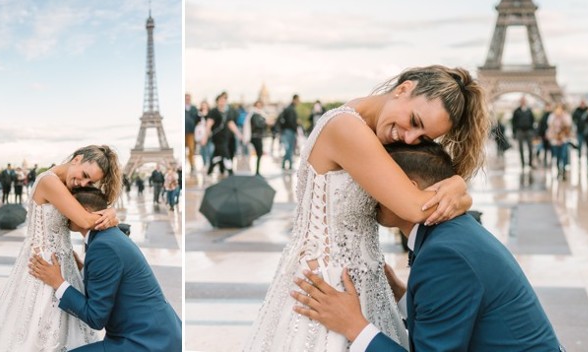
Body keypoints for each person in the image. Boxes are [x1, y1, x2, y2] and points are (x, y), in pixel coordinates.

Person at [239, 66, 483, 352]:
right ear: (403, 89)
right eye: (414, 121)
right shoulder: (346, 127)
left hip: (360, 284)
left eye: (422, 138)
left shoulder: (369, 130)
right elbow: (418, 208)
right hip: (327, 286)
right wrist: (458, 188)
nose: (409, 138)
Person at [294, 138, 563, 352]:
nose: (369, 193)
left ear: (407, 186)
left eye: (376, 184)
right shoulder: (454, 232)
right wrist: (402, 295)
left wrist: (354, 325)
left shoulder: (445, 255)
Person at [0, 143, 122, 350]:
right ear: (76, 158)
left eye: (91, 181)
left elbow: (74, 222)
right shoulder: (48, 181)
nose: (83, 182)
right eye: (85, 174)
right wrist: (112, 214)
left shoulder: (66, 184)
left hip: (62, 261)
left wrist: (109, 213)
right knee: (37, 327)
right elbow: (86, 221)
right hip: (42, 262)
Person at [30, 180, 182, 350]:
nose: (64, 213)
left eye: (69, 208)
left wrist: (57, 281)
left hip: (146, 342)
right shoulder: (107, 236)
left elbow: (96, 318)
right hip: (154, 333)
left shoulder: (104, 247)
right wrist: (83, 268)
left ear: (85, 212)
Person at [511, 98, 536, 172]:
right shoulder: (516, 111)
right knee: (521, 149)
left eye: (524, 101)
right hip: (520, 131)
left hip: (529, 131)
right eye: (522, 101)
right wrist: (514, 132)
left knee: (530, 148)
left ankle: (530, 163)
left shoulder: (529, 110)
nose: (523, 102)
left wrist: (532, 130)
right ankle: (523, 164)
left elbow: (532, 120)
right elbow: (514, 122)